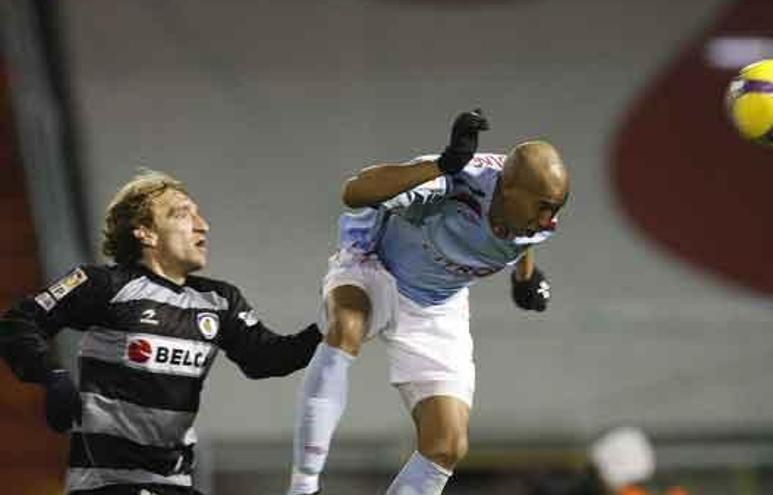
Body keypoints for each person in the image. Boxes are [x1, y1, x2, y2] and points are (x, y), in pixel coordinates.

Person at [286, 109, 570, 495]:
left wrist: (525, 279)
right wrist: (440, 165)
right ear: (506, 189)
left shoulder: (538, 219)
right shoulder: (458, 180)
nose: (550, 220)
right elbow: (354, 192)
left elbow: (523, 242)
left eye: (556, 208)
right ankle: (303, 486)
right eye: (543, 207)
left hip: (439, 303)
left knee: (446, 446)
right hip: (375, 264)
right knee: (346, 328)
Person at [0, 170, 322, 494]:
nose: (202, 225)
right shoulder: (105, 285)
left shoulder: (219, 301)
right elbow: (18, 322)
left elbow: (266, 358)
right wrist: (51, 375)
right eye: (183, 214)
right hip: (109, 484)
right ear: (146, 233)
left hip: (176, 484)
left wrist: (329, 327)